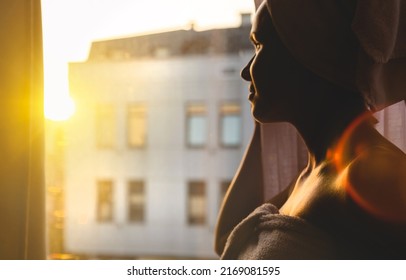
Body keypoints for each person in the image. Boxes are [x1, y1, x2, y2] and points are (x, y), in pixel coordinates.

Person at [215, 0, 406, 259]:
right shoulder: (313, 174)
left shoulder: (370, 173)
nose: (245, 72)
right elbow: (229, 239)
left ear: (309, 50)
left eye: (259, 46)